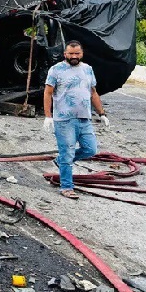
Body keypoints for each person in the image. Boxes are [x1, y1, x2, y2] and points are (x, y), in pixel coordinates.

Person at [43, 40, 109, 200]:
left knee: (90, 149)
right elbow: (48, 93)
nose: (74, 56)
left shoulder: (88, 70)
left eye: (77, 53)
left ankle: (60, 161)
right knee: (67, 153)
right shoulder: (56, 70)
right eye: (71, 53)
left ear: (82, 54)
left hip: (84, 118)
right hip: (64, 120)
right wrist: (48, 116)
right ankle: (66, 187)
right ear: (65, 54)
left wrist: (102, 113)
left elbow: (93, 92)